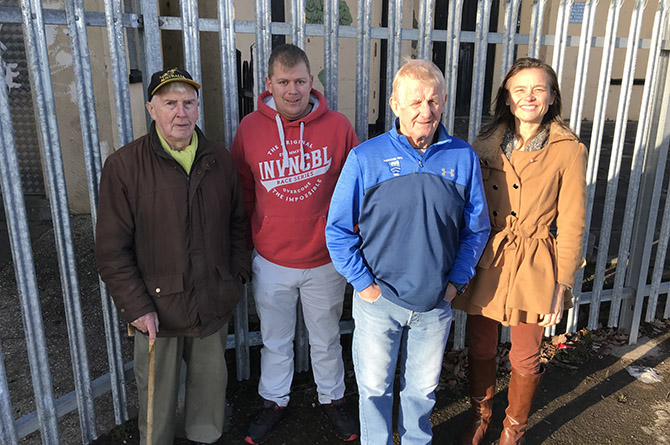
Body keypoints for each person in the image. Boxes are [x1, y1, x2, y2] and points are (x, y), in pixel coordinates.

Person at [325, 59, 490, 445]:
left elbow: (476, 228)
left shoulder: (461, 157)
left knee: (421, 393)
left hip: (435, 303)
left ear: (444, 102)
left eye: (433, 100)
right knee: (374, 390)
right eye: (414, 101)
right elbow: (337, 230)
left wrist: (455, 282)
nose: (424, 110)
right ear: (394, 104)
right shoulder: (365, 158)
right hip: (378, 301)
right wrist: (365, 285)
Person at [95, 68, 250, 445]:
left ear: (198, 108)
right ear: (151, 108)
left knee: (210, 395)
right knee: (156, 405)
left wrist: (234, 278)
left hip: (212, 301)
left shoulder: (220, 160)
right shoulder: (124, 167)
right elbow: (111, 250)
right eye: (170, 103)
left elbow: (238, 225)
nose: (181, 113)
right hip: (156, 312)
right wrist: (136, 307)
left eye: (188, 103)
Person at [452, 57, 587, 445]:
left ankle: (514, 429)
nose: (529, 97)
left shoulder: (569, 150)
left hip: (536, 260)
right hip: (489, 256)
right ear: (507, 100)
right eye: (520, 90)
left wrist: (562, 283)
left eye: (538, 89)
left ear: (551, 98)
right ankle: (481, 417)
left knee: (525, 354)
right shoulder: (484, 143)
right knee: (480, 344)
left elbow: (574, 221)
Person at [231, 44, 359, 444]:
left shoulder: (338, 128)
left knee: (325, 338)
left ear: (311, 82)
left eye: (300, 81)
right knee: (274, 339)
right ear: (268, 84)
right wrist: (256, 239)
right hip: (271, 259)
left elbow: (354, 191)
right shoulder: (249, 129)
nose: (292, 91)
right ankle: (273, 400)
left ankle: (333, 399)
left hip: (324, 258)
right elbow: (245, 192)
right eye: (283, 82)